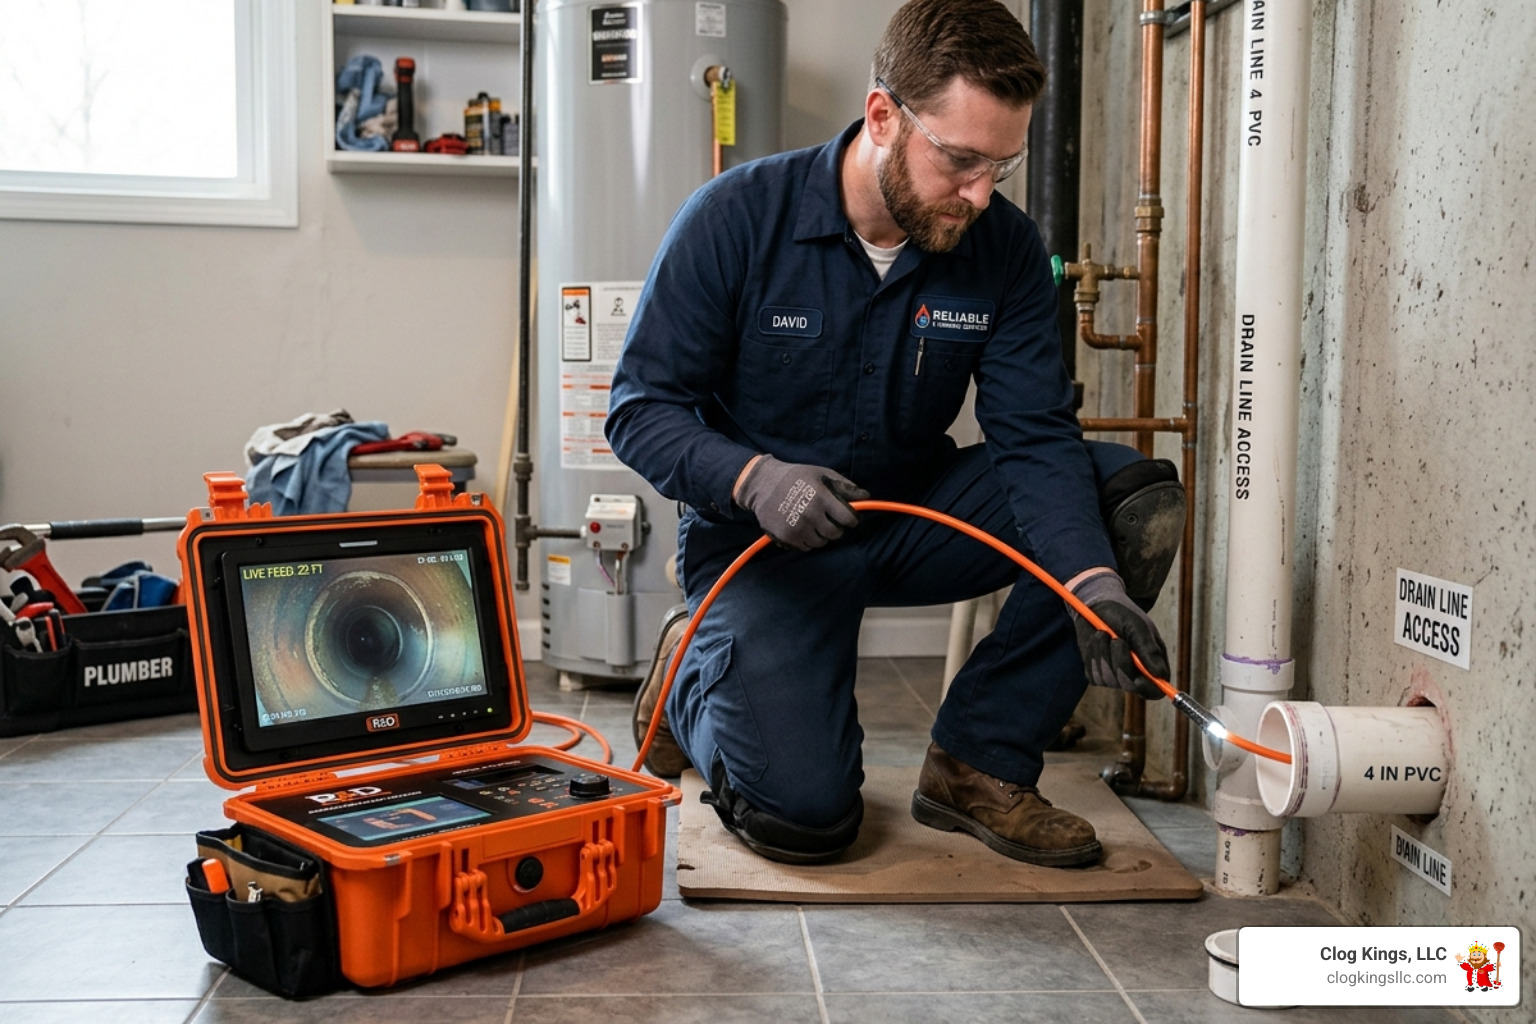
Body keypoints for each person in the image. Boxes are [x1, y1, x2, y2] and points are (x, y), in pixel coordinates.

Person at [607, 0, 1184, 868]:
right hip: (760, 545)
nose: (982, 194)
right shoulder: (734, 222)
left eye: (1002, 166)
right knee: (802, 821)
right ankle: (692, 679)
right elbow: (639, 409)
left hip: (913, 513)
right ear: (883, 116)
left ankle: (979, 763)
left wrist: (1093, 583)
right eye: (959, 161)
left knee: (1127, 498)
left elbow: (1033, 436)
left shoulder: (1005, 250)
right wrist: (756, 478)